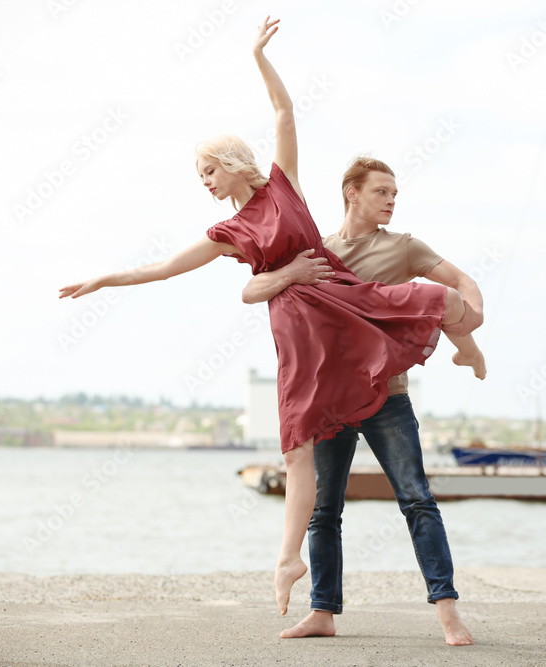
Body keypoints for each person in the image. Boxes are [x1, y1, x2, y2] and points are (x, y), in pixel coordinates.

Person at [58, 18, 486, 617]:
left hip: (340, 301)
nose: (204, 183)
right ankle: (290, 562)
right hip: (298, 332)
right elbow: (166, 269)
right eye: (200, 177)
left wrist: (258, 55)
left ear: (232, 162)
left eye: (208, 171)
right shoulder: (228, 233)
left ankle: (471, 345)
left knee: (434, 302)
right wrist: (104, 278)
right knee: (297, 452)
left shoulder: (284, 187)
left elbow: (285, 112)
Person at [242, 157, 480, 645]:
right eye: (382, 192)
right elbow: (255, 290)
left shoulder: (404, 247)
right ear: (352, 193)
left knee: (417, 500)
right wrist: (288, 272)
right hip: (330, 403)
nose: (392, 200)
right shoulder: (317, 251)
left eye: (395, 193)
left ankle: (449, 614)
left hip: (387, 397)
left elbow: (460, 281)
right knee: (324, 511)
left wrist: (470, 324)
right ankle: (322, 613)